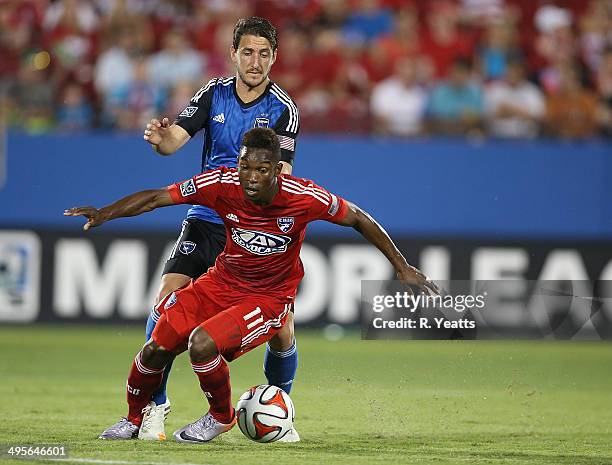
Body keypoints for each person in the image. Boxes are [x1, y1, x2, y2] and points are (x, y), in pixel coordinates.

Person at [64, 127, 438, 443]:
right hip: (221, 282)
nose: (251, 177)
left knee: (202, 344)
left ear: (278, 169)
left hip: (269, 297)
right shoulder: (222, 183)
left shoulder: (304, 197)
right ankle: (132, 420)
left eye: (261, 169)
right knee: (155, 347)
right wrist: (105, 213)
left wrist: (401, 266)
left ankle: (220, 416)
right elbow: (158, 198)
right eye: (245, 167)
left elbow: (357, 217)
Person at [139, 17, 300, 441]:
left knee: (282, 328)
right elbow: (175, 139)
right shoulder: (214, 93)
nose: (255, 61)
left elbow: (281, 172)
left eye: (264, 54)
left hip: (254, 226)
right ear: (233, 54)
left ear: (274, 58)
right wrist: (160, 140)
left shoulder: (284, 109)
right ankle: (157, 406)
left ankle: (280, 407)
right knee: (166, 299)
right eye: (247, 52)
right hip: (209, 218)